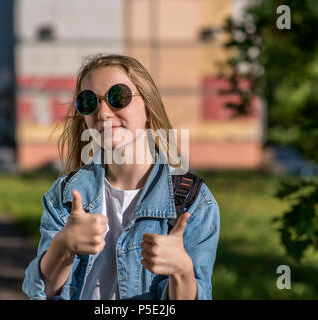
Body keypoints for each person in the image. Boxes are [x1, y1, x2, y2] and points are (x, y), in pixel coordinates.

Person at [22, 54, 220, 300]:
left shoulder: (194, 202)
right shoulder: (65, 195)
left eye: (118, 97)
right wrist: (63, 246)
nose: (103, 113)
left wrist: (182, 271)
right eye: (88, 102)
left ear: (148, 106)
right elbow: (41, 293)